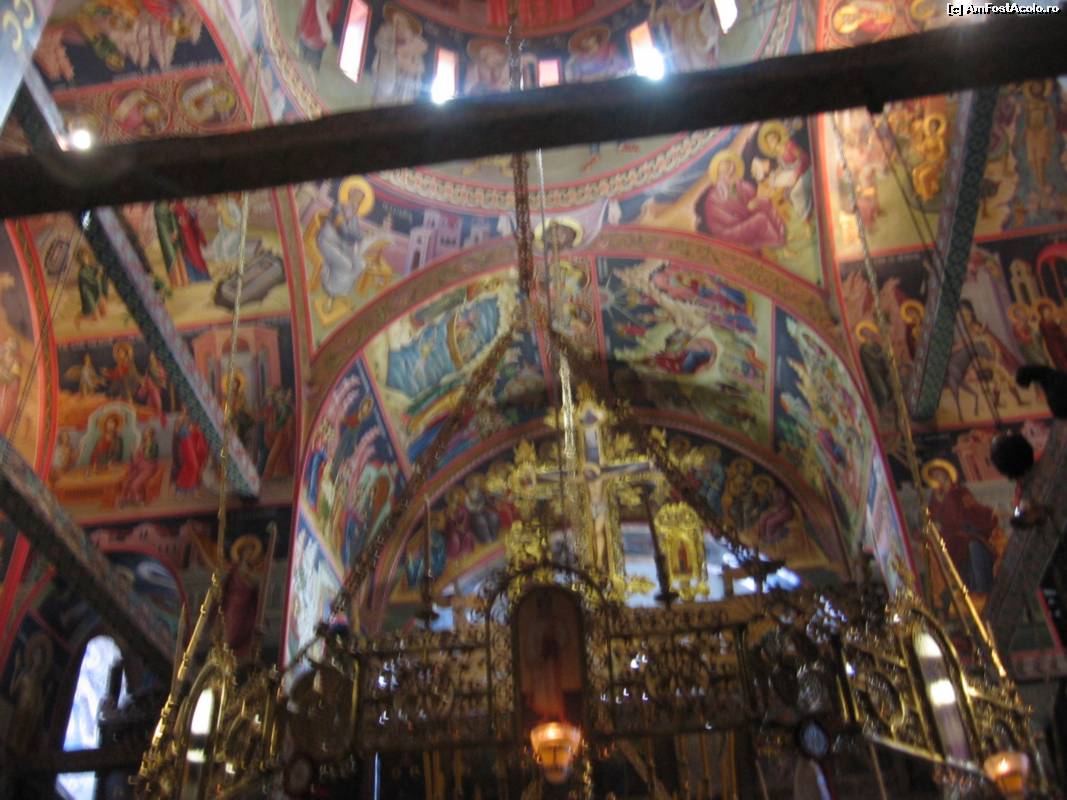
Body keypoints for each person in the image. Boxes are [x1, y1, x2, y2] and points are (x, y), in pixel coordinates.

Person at [697, 151, 787, 251]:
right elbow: (723, 222)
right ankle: (775, 243)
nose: (730, 175)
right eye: (726, 172)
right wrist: (747, 210)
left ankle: (781, 233)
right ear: (719, 176)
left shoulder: (741, 186)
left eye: (732, 170)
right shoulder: (714, 198)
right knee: (760, 219)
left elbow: (751, 201)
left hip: (744, 220)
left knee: (764, 203)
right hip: (729, 232)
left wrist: (753, 204)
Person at [371, 6, 428, 105]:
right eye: (396, 24)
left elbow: (419, 69)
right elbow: (379, 42)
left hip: (405, 97)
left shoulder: (416, 53)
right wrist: (397, 53)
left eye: (404, 25)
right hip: (384, 95)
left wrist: (406, 60)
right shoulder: (385, 41)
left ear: (411, 31)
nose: (399, 29)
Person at [173, 199, 211, 282]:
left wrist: (202, 239)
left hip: (191, 238)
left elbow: (196, 226)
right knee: (192, 258)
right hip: (186, 239)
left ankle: (202, 277)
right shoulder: (178, 208)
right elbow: (182, 223)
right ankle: (197, 278)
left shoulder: (189, 210)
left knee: (196, 258)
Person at [118, 427, 159, 505]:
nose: (145, 435)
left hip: (148, 469)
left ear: (151, 435)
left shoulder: (154, 445)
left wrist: (141, 452)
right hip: (139, 468)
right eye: (145, 434)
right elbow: (135, 459)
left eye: (148, 434)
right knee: (127, 482)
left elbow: (151, 457)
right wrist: (133, 453)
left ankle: (138, 500)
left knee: (135, 485)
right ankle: (128, 499)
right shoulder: (142, 444)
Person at [171, 411, 208, 493]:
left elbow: (196, 430)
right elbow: (177, 430)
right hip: (186, 442)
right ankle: (182, 487)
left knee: (194, 465)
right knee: (193, 465)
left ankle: (189, 486)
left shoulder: (192, 421)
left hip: (191, 442)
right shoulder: (183, 421)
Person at [76, 247, 109, 321]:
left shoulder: (92, 267)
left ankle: (93, 312)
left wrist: (100, 270)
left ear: (88, 256)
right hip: (90, 297)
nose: (84, 259)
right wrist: (98, 275)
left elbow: (102, 273)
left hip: (99, 293)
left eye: (85, 257)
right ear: (80, 260)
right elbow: (92, 282)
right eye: (82, 258)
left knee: (105, 314)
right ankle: (80, 317)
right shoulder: (82, 272)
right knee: (97, 319)